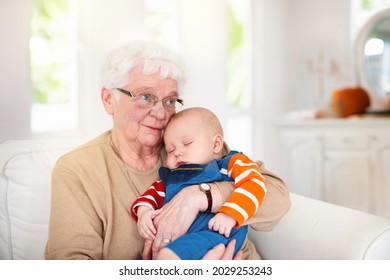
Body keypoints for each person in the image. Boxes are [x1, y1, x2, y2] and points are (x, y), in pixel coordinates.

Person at [44, 41, 291, 260]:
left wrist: (200, 197)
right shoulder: (77, 170)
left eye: (170, 100)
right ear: (109, 100)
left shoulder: (193, 147)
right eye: (145, 97)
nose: (161, 113)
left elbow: (278, 200)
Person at [131, 107, 268, 260]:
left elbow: (255, 183)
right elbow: (150, 196)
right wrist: (143, 213)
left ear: (216, 144)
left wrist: (231, 215)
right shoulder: (171, 178)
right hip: (178, 241)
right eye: (170, 150)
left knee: (169, 256)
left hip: (216, 233)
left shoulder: (231, 164)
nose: (177, 152)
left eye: (187, 143)